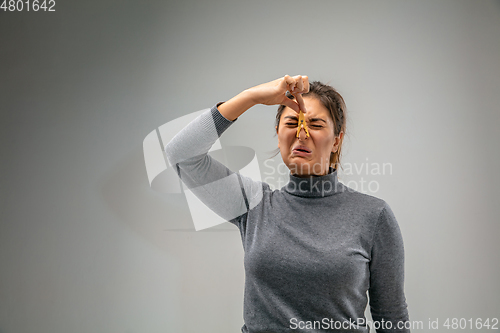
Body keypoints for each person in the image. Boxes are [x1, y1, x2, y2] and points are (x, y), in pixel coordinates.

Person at [165, 75, 410, 333]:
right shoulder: (254, 205)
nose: (302, 134)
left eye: (315, 124)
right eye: (292, 122)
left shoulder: (374, 216)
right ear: (278, 134)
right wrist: (252, 97)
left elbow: (391, 319)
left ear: (337, 140)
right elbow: (181, 153)